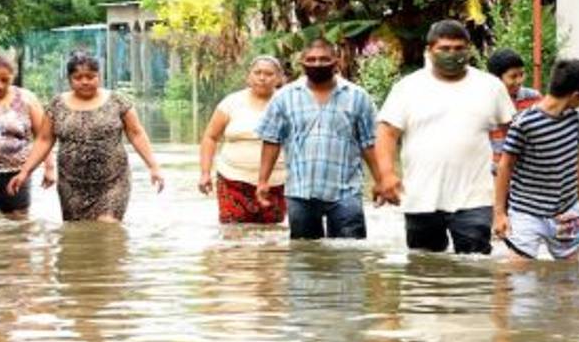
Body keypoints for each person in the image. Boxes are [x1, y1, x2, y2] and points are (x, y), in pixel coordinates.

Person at [376, 20, 516, 254]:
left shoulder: (491, 87)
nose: (453, 54)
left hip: (476, 198)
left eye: (459, 48)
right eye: (445, 49)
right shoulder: (408, 87)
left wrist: (512, 183)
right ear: (430, 51)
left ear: (469, 49)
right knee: (424, 268)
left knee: (475, 267)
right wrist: (387, 175)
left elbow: (513, 135)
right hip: (421, 197)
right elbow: (387, 132)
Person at [8, 52, 164, 222]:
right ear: (69, 79)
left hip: (112, 181)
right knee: (77, 236)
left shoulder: (118, 101)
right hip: (71, 183)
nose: (85, 81)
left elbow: (136, 133)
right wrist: (25, 172)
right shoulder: (57, 105)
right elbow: (44, 140)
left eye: (91, 76)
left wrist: (153, 167)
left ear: (99, 76)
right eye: (78, 77)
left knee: (108, 227)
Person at [254, 38, 383, 239]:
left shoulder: (358, 97)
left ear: (336, 61)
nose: (317, 64)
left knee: (350, 255)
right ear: (302, 62)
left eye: (324, 59)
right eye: (311, 59)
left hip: (346, 192)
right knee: (304, 256)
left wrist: (381, 180)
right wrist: (262, 181)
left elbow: (369, 143)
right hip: (300, 191)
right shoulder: (284, 97)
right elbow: (272, 140)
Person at [493, 59, 579, 260]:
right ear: (577, 95)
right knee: (518, 277)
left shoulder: (573, 118)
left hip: (567, 210)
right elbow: (504, 166)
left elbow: (576, 160)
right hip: (526, 212)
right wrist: (499, 214)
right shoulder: (524, 123)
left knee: (569, 279)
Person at [198, 56, 288, 224]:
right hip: (232, 180)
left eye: (269, 74)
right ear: (248, 77)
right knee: (233, 236)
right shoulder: (231, 102)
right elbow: (210, 137)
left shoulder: (288, 103)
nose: (262, 78)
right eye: (257, 73)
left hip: (276, 183)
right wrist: (205, 173)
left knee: (272, 239)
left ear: (279, 78)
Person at [0, 53, 56, 220]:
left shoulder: (27, 98)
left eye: (5, 80)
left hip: (17, 173)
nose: (0, 86)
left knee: (17, 225)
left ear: (12, 77)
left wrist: (49, 167)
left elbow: (43, 136)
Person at [486, 48, 542, 168]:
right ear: (496, 79)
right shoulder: (486, 103)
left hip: (527, 169)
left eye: (521, 74)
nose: (519, 80)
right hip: (496, 169)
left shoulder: (534, 98)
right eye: (513, 76)